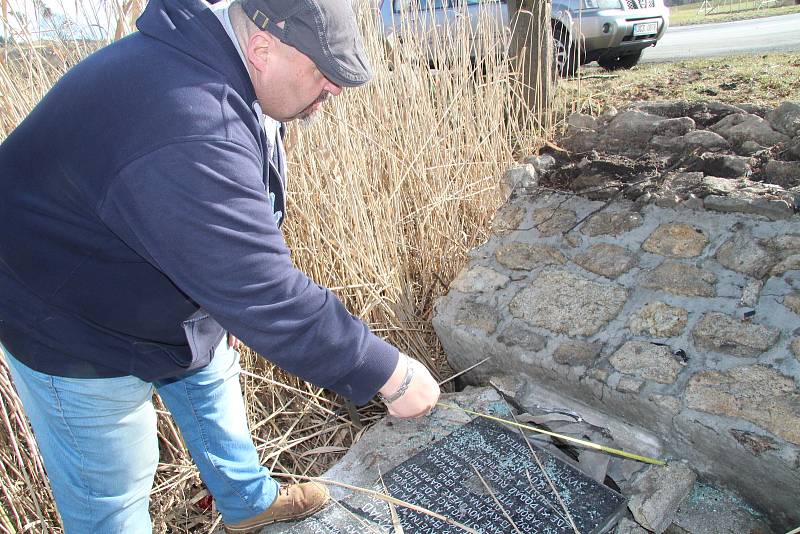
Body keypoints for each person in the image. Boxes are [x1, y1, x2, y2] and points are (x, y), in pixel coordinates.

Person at [0, 0, 441, 532]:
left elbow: (224, 237)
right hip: (67, 318)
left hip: (154, 283)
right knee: (112, 491)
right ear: (262, 48)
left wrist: (220, 305)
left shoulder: (229, 72)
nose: (335, 90)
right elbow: (265, 292)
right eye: (325, 75)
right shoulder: (185, 119)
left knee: (211, 387)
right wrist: (391, 377)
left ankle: (247, 503)